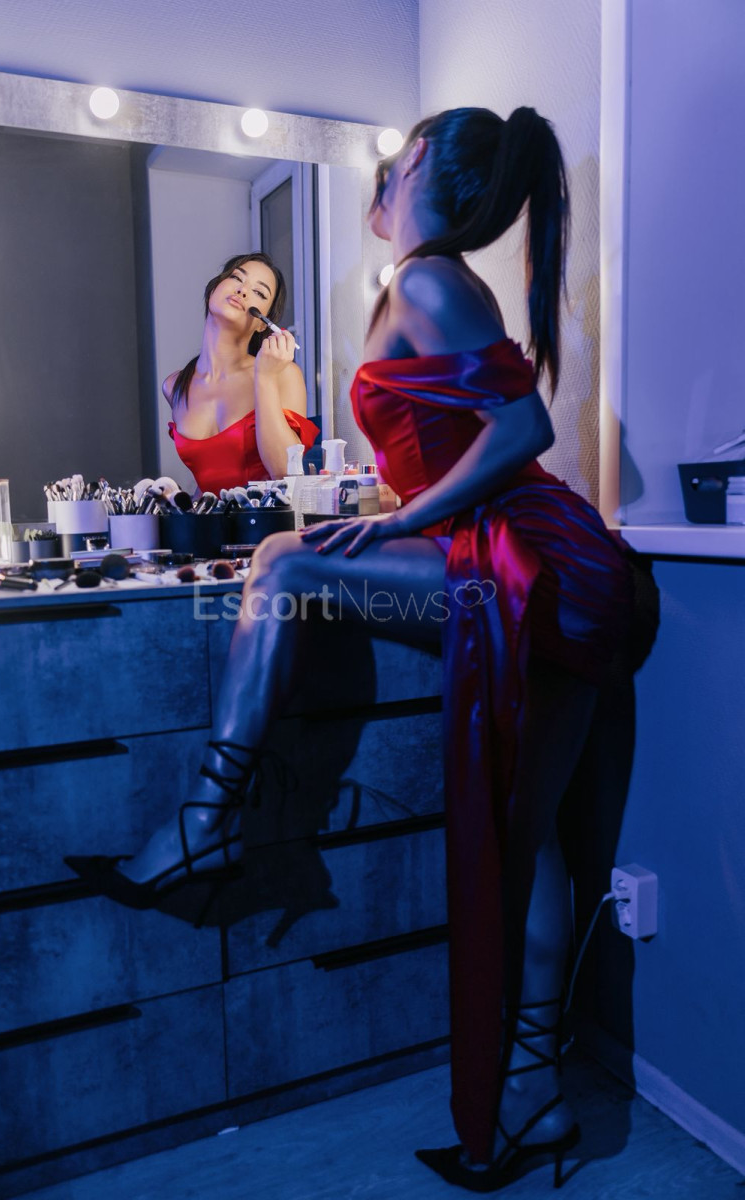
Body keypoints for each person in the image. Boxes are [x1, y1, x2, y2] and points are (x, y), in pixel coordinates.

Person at [68, 107, 634, 1192]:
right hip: (520, 553)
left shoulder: (427, 279)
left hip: (528, 555)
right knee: (532, 839)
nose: (381, 169)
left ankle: (203, 823)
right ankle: (537, 1098)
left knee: (282, 561)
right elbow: (460, 441)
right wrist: (400, 510)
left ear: (416, 162)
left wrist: (400, 518)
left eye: (394, 152)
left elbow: (522, 433)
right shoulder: (421, 283)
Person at [164, 252, 318, 493]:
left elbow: (284, 472)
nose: (243, 290)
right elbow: (209, 480)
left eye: (259, 292)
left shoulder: (283, 375)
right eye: (237, 277)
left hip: (266, 517)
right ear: (213, 289)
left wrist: (265, 378)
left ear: (262, 323)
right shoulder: (174, 386)